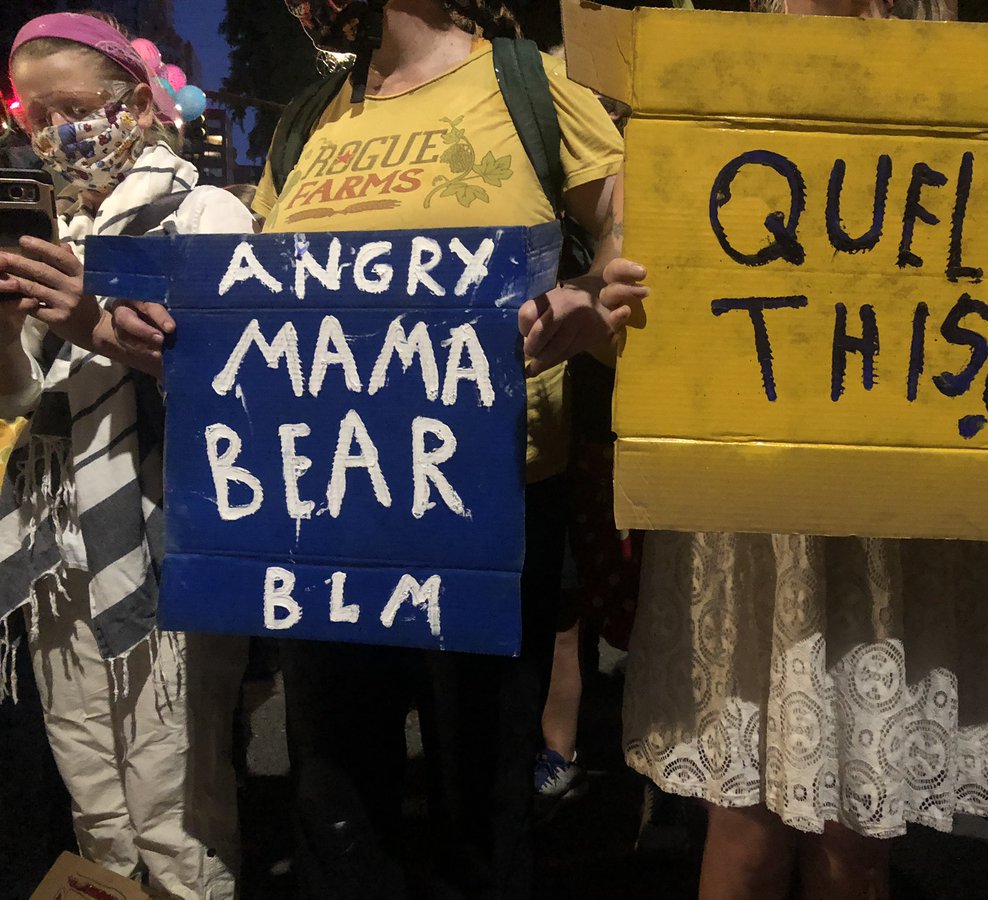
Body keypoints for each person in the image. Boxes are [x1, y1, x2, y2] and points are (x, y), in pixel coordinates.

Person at [601, 1, 988, 898]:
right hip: (759, 517)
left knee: (859, 841)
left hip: (906, 508)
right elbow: (664, 275)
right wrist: (623, 293)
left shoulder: (979, 80)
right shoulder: (709, 78)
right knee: (746, 831)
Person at [117, 0, 628, 896]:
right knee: (336, 793)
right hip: (327, 510)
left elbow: (636, 222)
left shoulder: (529, 85)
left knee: (484, 794)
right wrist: (164, 324)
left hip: (485, 501)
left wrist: (590, 299)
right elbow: (258, 284)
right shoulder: (312, 118)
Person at [0, 12, 252, 898]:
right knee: (94, 797)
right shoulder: (54, 226)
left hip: (165, 533)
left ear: (137, 100)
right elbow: (17, 396)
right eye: (31, 116)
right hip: (54, 548)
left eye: (71, 106)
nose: (52, 132)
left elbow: (236, 379)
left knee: (174, 794)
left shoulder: (207, 211)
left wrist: (89, 322)